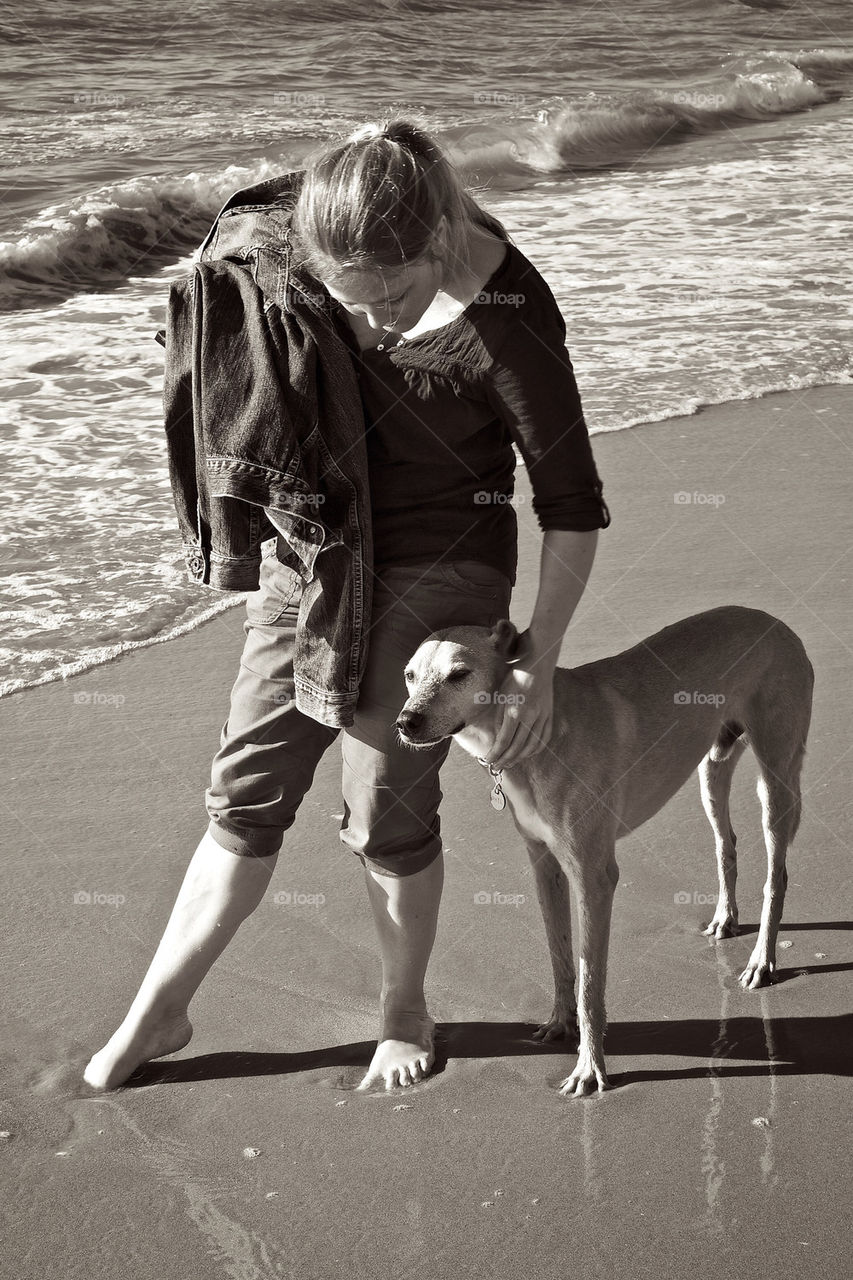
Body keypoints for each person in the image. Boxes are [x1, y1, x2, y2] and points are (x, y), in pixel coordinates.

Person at [84, 118, 610, 1093]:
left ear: (440, 240)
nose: (368, 321)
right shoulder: (292, 247)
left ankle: (405, 1007)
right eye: (345, 299)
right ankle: (160, 1010)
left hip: (440, 566)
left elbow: (572, 508)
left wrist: (538, 650)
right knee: (245, 787)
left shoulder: (509, 322)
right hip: (317, 552)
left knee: (383, 810)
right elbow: (229, 297)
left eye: (394, 295)